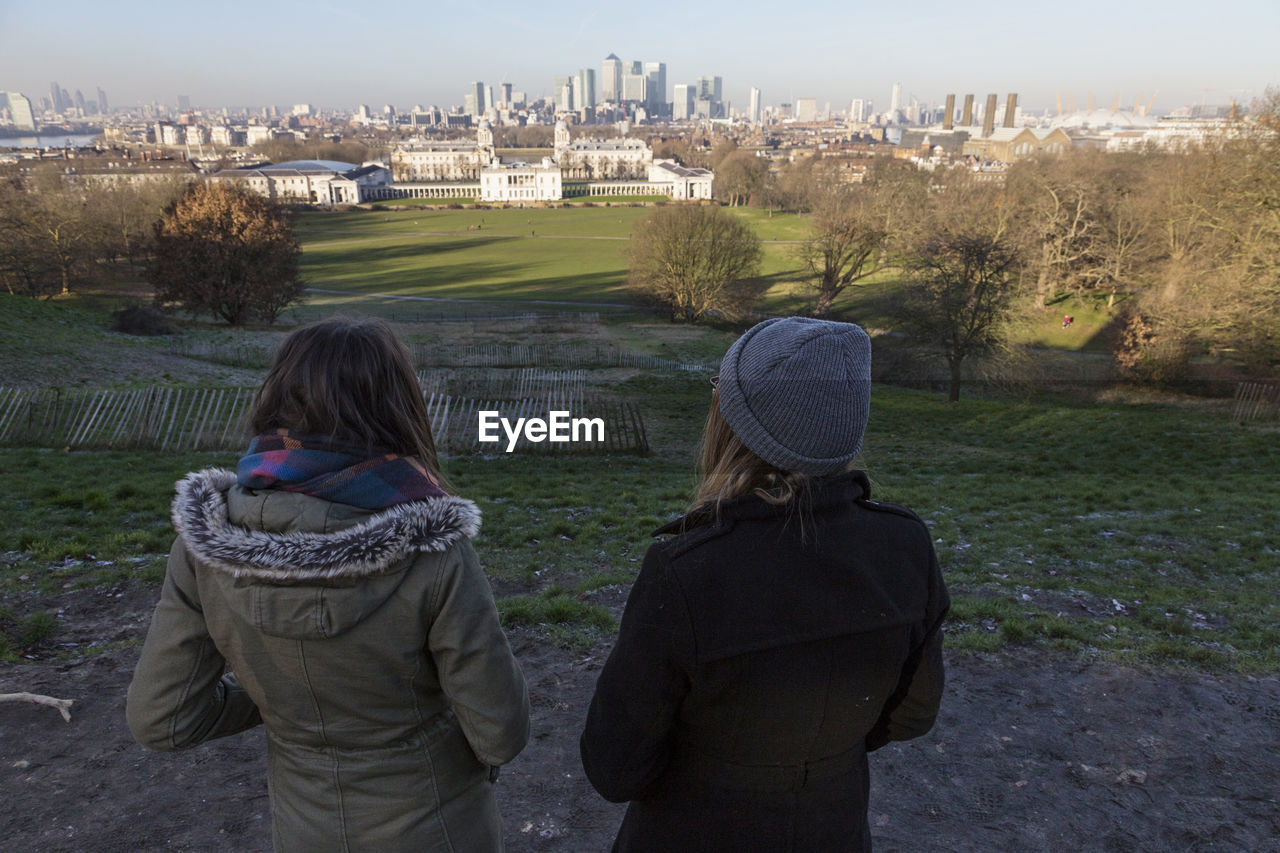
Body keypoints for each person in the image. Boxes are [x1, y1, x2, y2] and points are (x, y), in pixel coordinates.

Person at [127, 317, 530, 853]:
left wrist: (278, 704)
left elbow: (163, 718)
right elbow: (500, 733)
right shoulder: (434, 551)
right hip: (437, 825)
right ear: (398, 407)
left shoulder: (205, 547)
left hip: (303, 829)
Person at [580, 317, 949, 852]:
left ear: (732, 425)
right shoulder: (905, 546)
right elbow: (913, 715)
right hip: (835, 831)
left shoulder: (686, 572)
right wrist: (818, 759)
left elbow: (614, 768)